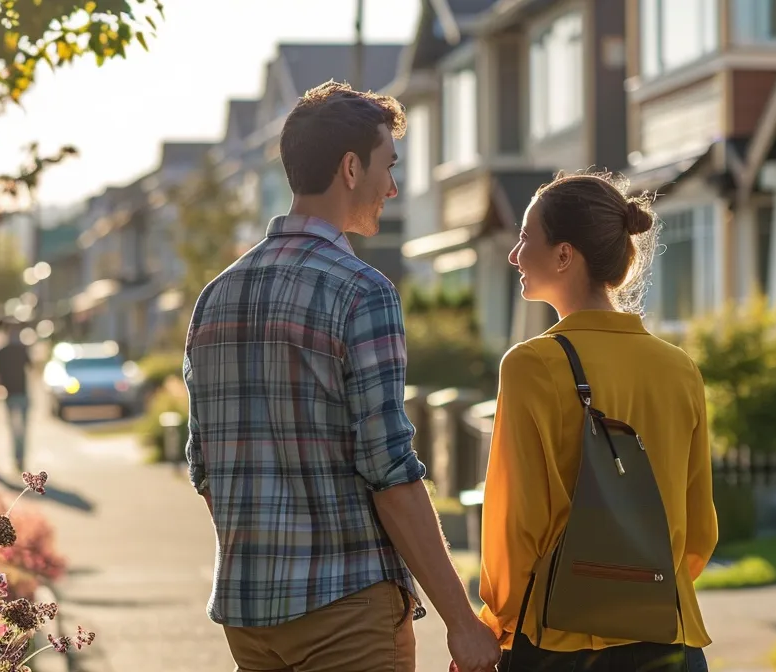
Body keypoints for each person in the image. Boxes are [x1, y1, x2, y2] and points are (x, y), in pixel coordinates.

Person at [182, 80, 502, 672]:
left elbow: (205, 467)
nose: (394, 187)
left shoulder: (215, 297)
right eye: (389, 165)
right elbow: (390, 472)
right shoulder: (362, 292)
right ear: (351, 168)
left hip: (249, 619)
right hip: (346, 610)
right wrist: (462, 623)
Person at [478, 171, 717, 671]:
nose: (514, 254)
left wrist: (495, 625)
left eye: (525, 238)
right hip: (669, 637)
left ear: (565, 255)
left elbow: (515, 525)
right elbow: (699, 531)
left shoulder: (531, 366)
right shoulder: (681, 370)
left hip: (560, 643)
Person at [0, 321, 32, 473]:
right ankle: (19, 457)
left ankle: (19, 458)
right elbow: (32, 367)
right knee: (19, 429)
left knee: (16, 429)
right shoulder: (18, 350)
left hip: (16, 394)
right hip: (15, 394)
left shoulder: (3, 352)